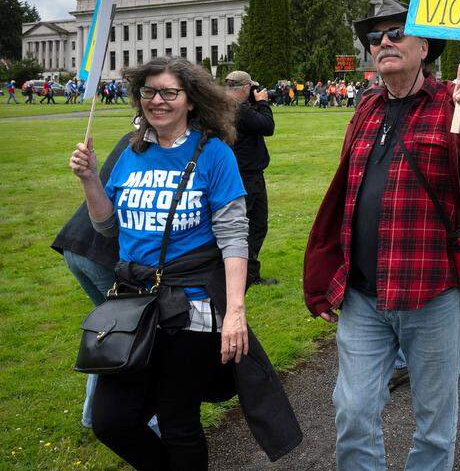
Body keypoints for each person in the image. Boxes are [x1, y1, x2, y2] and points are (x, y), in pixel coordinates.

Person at [67, 56, 301, 470]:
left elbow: (233, 238)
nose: (157, 101)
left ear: (190, 100)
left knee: (178, 422)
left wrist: (235, 314)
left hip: (189, 309)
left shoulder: (214, 154)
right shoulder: (131, 150)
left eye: (169, 93)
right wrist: (89, 181)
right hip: (133, 309)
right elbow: (107, 228)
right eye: (149, 92)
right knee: (111, 421)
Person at [304, 0, 460, 471]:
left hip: (431, 292)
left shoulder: (452, 104)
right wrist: (324, 272)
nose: (384, 42)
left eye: (396, 32)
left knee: (434, 423)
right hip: (363, 296)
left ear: (425, 47)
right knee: (352, 412)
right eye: (376, 37)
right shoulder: (367, 107)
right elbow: (345, 196)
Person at [53, 128, 139, 430]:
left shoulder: (133, 138)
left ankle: (92, 414)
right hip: (99, 250)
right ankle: (139, 417)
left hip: (76, 245)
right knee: (127, 334)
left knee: (109, 331)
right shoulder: (142, 147)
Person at [224, 70, 278, 287]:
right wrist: (263, 103)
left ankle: (246, 272)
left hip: (238, 173)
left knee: (247, 225)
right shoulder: (239, 109)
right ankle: (245, 274)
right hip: (248, 175)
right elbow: (267, 126)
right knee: (253, 225)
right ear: (245, 88)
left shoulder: (225, 106)